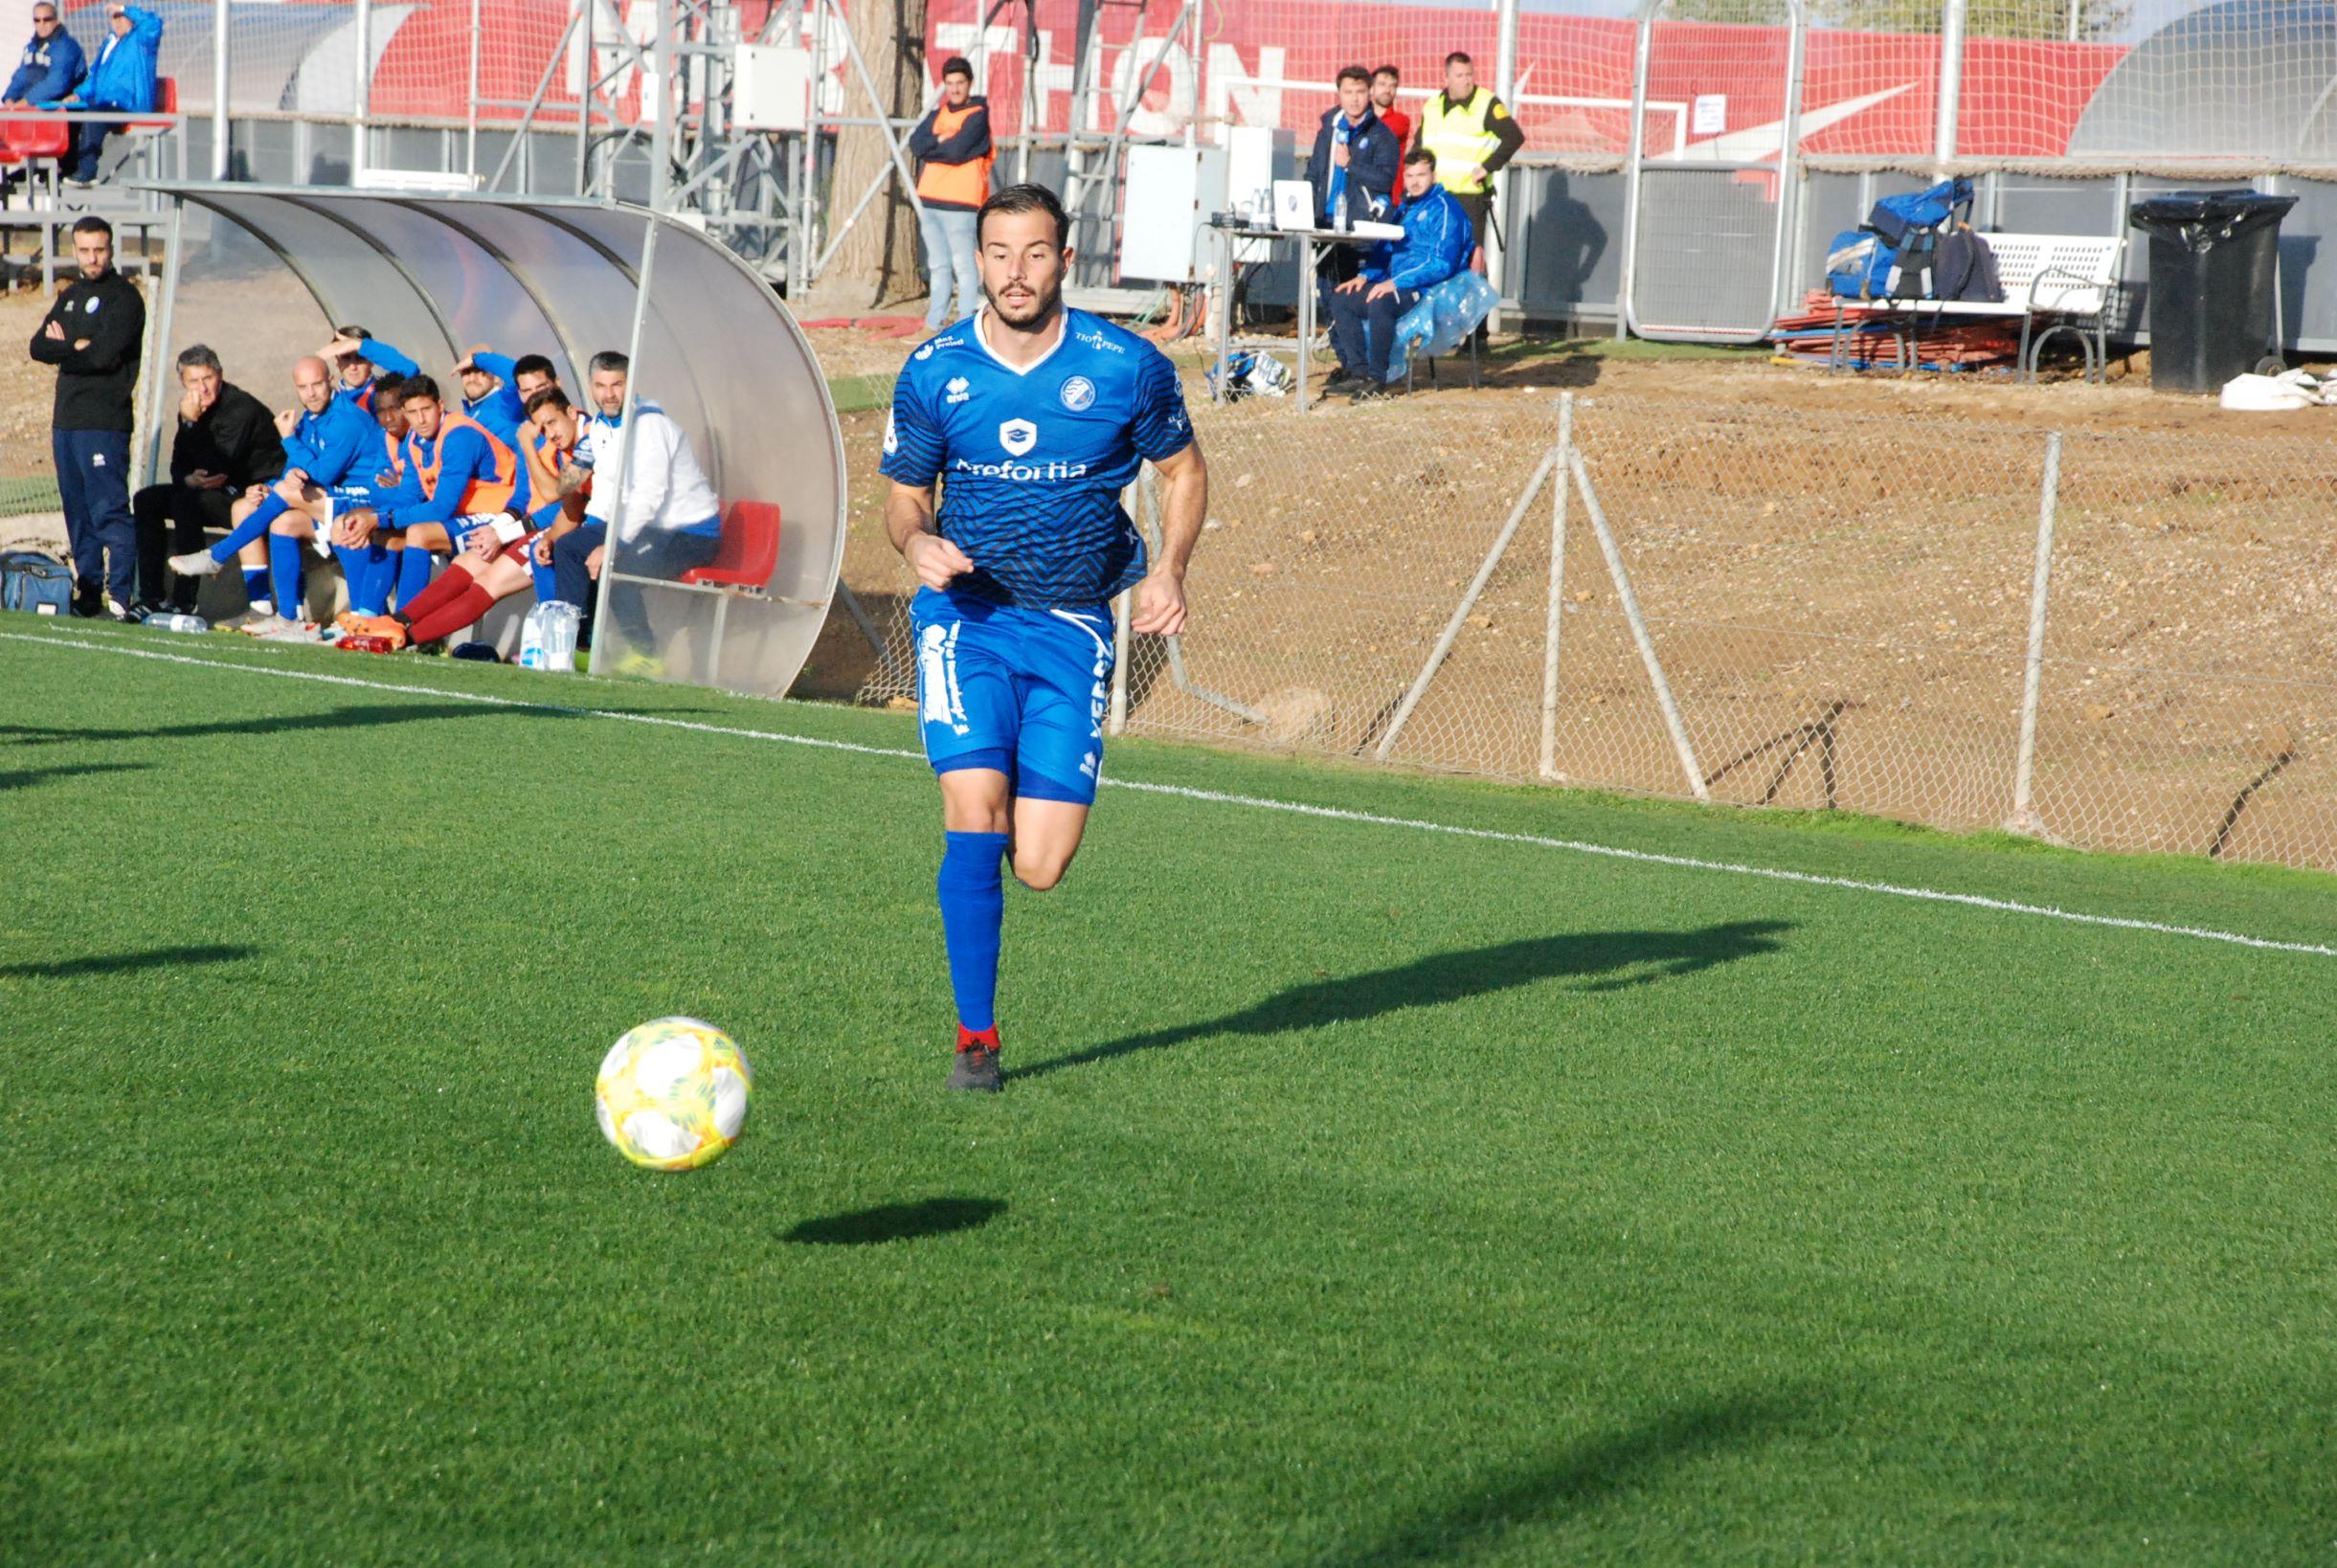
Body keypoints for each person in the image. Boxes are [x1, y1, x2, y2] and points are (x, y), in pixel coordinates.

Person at [880, 183, 1207, 1092]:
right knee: (971, 812)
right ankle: (975, 1041)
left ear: (1066, 260)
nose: (1014, 273)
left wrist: (1169, 569)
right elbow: (904, 494)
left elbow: (1183, 471)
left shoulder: (1124, 365)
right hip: (968, 619)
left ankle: (1019, 774)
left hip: (1072, 625)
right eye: (996, 253)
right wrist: (917, 540)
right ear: (976, 259)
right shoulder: (936, 368)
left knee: (1040, 866)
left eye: (1033, 254)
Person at [168, 354, 394, 627]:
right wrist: (266, 488)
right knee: (273, 518)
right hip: (331, 503)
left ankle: (217, 556)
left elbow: (323, 474)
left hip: (364, 501)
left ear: (331, 381)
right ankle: (282, 615)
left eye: (317, 385)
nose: (311, 394)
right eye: (303, 387)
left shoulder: (347, 420)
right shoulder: (308, 421)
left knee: (286, 494)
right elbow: (292, 470)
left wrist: (288, 439)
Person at [546, 349, 723, 673]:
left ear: (631, 384)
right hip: (645, 527)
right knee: (569, 547)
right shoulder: (600, 426)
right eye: (600, 385)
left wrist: (609, 545)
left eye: (617, 384)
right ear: (591, 386)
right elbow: (601, 492)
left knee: (619, 568)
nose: (609, 394)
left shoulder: (648, 427)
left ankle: (648, 656)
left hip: (689, 532)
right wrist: (592, 533)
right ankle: (579, 645)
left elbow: (647, 497)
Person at [31, 214, 143, 618]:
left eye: (100, 249)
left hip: (104, 420)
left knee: (108, 508)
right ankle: (89, 591)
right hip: (67, 419)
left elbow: (103, 354)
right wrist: (76, 347)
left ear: (111, 249)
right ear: (75, 251)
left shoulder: (124, 299)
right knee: (77, 511)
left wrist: (75, 348)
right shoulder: (70, 295)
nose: (93, 258)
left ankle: (123, 595)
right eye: (85, 250)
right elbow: (38, 346)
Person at [332, 374, 518, 614]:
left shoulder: (459, 436)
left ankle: (406, 624)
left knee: (419, 533)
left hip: (500, 514)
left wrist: (378, 517)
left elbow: (441, 508)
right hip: (462, 515)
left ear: (440, 406)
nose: (420, 419)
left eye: (426, 409)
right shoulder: (414, 441)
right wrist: (374, 518)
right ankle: (366, 619)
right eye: (412, 412)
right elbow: (408, 496)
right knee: (384, 535)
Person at [135, 346, 286, 621]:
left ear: (220, 375)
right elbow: (180, 465)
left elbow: (218, 467)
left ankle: (185, 601)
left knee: (187, 501)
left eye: (208, 378)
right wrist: (186, 477)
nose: (202, 388)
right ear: (183, 383)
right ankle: (151, 596)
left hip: (252, 495)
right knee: (146, 499)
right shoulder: (193, 409)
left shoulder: (240, 408)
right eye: (194, 381)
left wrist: (191, 424)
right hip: (217, 490)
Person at [1328, 148, 1472, 401]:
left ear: (1434, 176)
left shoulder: (1446, 208)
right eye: (1409, 176)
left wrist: (1396, 282)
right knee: (1342, 298)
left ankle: (1377, 379)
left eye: (1421, 175)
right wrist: (1365, 276)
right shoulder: (1404, 208)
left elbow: (1442, 263)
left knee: (1381, 301)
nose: (1415, 182)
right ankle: (1358, 373)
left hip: (1429, 289)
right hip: (1396, 284)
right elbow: (1385, 250)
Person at [1308, 64, 1401, 386]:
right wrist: (1305, 205)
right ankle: (1346, 362)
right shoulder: (1328, 129)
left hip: (1359, 230)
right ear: (1339, 94)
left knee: (1349, 296)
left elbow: (1385, 181)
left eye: (1361, 92)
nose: (1355, 98)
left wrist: (1352, 164)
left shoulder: (1381, 136)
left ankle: (1360, 368)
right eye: (1349, 92)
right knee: (1326, 294)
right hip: (1324, 224)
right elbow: (1315, 172)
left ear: (1371, 93)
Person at [1413, 51, 1523, 276]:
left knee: (1471, 258)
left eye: (1469, 74)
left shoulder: (1486, 103)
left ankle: (1477, 308)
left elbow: (1514, 136)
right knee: (1435, 254)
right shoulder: (1432, 105)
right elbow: (1419, 148)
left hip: (1469, 196)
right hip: (1435, 195)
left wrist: (1487, 167)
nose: (1466, 81)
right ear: (1447, 78)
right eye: (1460, 75)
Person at [908, 55, 991, 330]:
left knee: (964, 267)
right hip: (930, 200)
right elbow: (916, 144)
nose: (955, 89)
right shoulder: (938, 115)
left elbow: (957, 151)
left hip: (961, 203)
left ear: (970, 84)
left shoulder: (977, 116)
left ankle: (965, 325)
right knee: (938, 266)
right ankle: (934, 323)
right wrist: (940, 141)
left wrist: (938, 147)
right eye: (950, 83)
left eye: (960, 83)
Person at [55, 3, 158, 188]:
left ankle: (87, 171)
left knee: (95, 113)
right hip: (106, 102)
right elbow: (95, 77)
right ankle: (67, 168)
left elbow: (152, 23)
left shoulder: (141, 41)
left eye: (121, 17)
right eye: (114, 17)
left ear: (131, 19)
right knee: (69, 113)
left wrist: (125, 8)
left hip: (130, 104)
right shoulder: (110, 43)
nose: (117, 22)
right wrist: (78, 95)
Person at [3, 5, 84, 111]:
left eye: (47, 19)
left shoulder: (66, 46)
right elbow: (21, 76)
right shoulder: (32, 47)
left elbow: (57, 82)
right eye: (37, 20)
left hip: (58, 108)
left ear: (57, 21)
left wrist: (27, 101)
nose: (42, 24)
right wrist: (9, 97)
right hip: (33, 107)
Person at [1369, 64, 1409, 150]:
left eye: (1392, 86)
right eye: (1382, 84)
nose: (1387, 90)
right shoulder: (1362, 116)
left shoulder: (1401, 120)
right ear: (1371, 88)